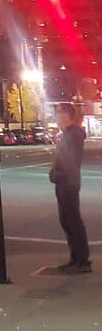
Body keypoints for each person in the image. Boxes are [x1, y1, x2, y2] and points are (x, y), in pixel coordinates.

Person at [50, 102, 91, 273]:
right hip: (64, 182)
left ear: (67, 115)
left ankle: (82, 260)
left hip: (68, 183)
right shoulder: (68, 134)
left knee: (72, 220)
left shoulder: (73, 134)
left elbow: (68, 160)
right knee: (66, 220)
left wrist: (58, 174)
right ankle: (76, 258)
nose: (56, 117)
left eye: (59, 113)